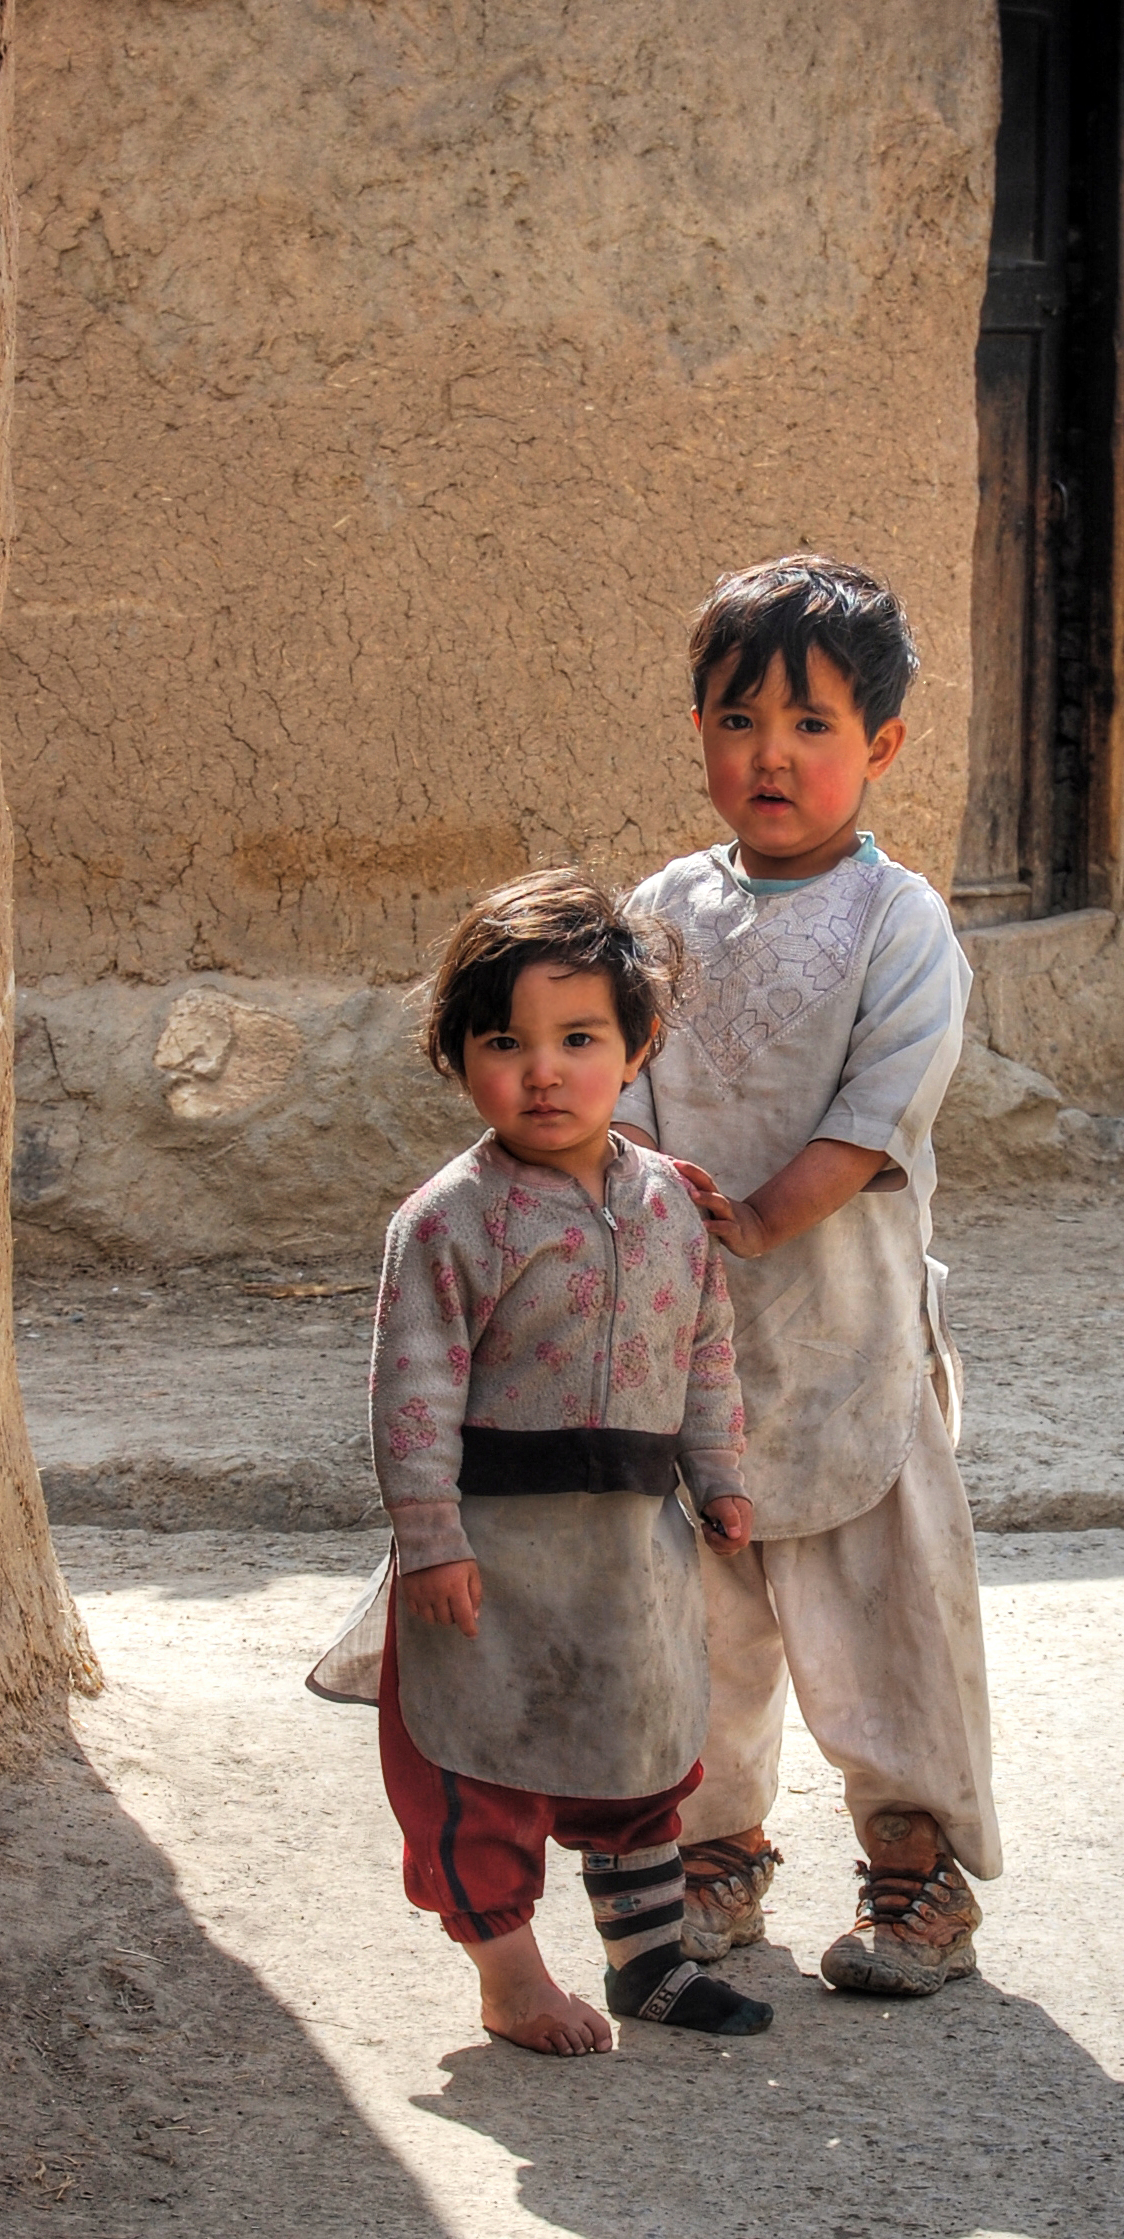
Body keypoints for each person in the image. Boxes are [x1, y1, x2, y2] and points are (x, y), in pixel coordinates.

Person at [612, 554, 1001, 1997]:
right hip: (688, 1332)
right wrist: (645, 1201)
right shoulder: (663, 904)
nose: (767, 755)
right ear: (698, 733)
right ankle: (712, 1853)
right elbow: (623, 1076)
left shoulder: (897, 923)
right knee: (696, 1615)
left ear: (880, 746)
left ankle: (915, 1873)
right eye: (734, 721)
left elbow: (879, 1107)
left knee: (875, 1613)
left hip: (840, 1334)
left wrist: (769, 1216)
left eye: (812, 725)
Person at [366, 869, 773, 2055]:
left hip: (627, 1547)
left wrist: (722, 1472)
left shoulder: (667, 1207)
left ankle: (649, 1961)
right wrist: (430, 1539)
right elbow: (412, 1388)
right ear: (457, 1059)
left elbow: (703, 1346)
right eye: (505, 1041)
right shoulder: (448, 1220)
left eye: (579, 1036)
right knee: (473, 1765)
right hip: (489, 1551)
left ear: (636, 1044)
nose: (542, 1069)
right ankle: (508, 1976)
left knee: (636, 1745)